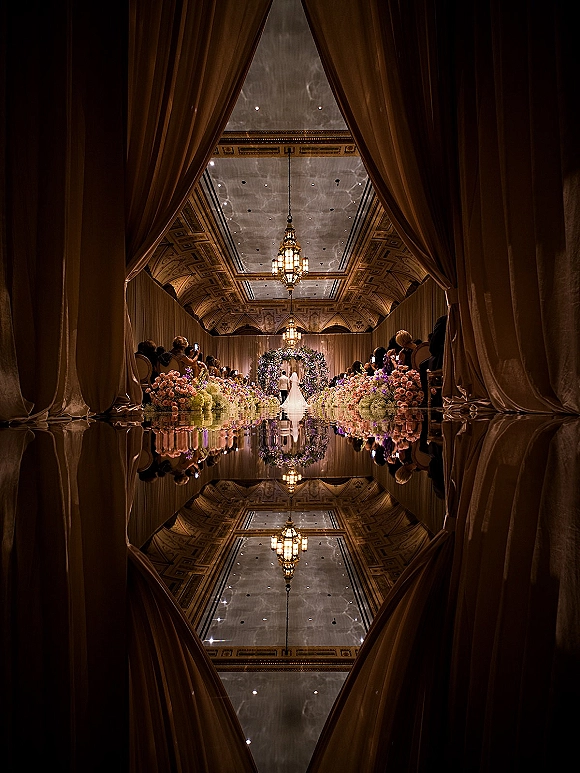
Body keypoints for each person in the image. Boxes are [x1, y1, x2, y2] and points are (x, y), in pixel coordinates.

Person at [419, 314, 447, 407]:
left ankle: (428, 398)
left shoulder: (443, 320)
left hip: (443, 359)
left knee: (423, 365)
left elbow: (433, 349)